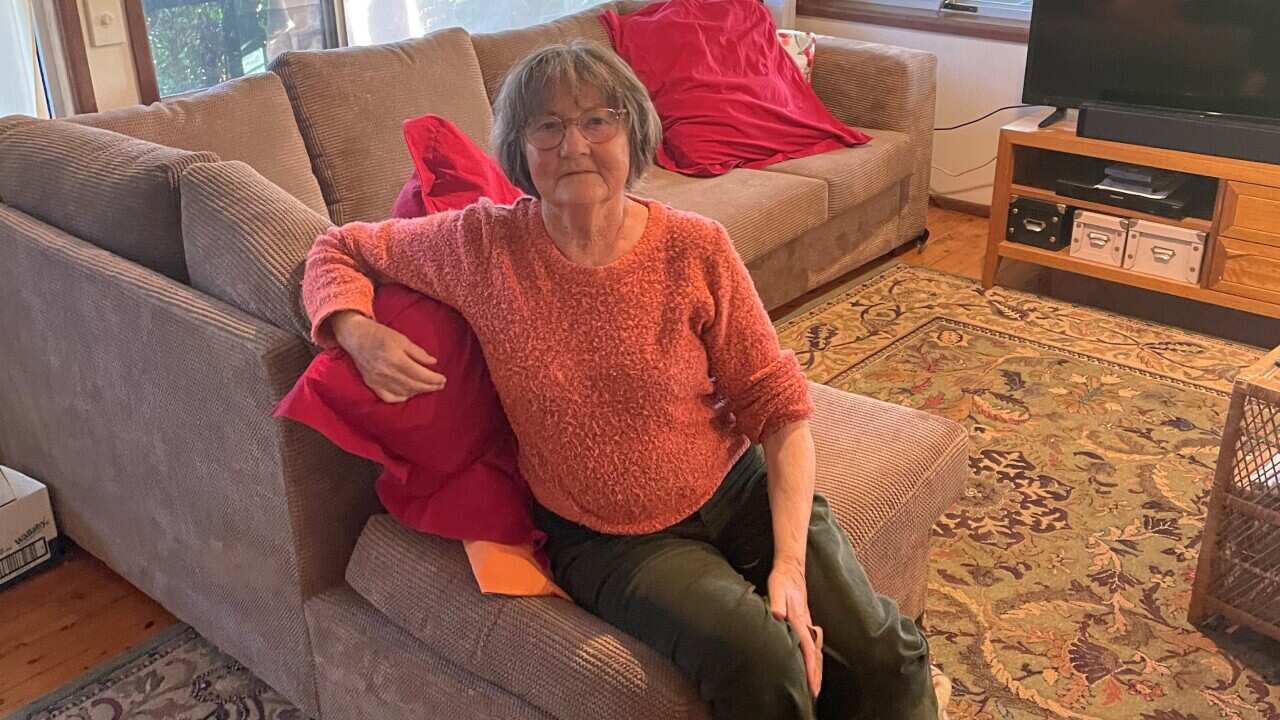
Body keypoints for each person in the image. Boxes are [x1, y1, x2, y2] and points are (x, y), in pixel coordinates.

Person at [301, 39, 946, 720]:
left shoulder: (695, 246)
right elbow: (337, 247)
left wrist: (789, 565)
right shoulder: (480, 246)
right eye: (547, 126)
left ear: (633, 133)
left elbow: (779, 410)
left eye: (597, 120)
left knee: (882, 651)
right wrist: (354, 330)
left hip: (736, 487)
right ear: (520, 148)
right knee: (760, 658)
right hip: (610, 542)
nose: (573, 144)